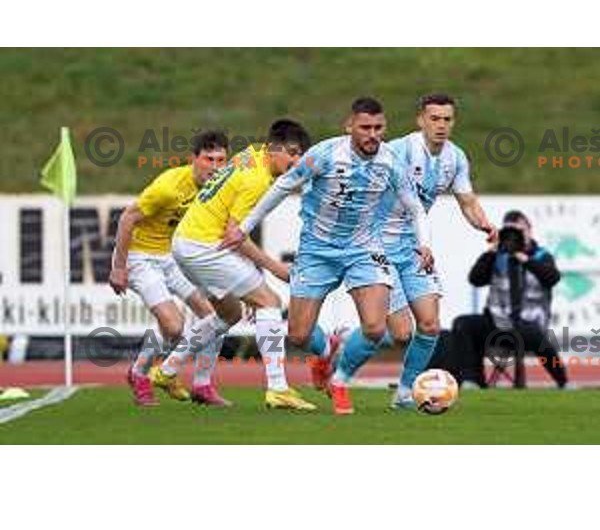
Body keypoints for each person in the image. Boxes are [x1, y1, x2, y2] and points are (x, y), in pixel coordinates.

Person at [221, 98, 434, 415]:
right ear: (349, 127)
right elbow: (281, 187)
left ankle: (340, 381)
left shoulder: (390, 161)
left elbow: (415, 207)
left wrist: (424, 244)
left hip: (364, 248)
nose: (372, 134)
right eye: (365, 127)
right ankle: (325, 351)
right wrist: (245, 227)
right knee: (298, 334)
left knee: (376, 328)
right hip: (317, 251)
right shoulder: (323, 154)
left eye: (378, 127)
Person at [156, 119, 317, 411]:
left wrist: (250, 279)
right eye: (290, 153)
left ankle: (166, 371)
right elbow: (237, 236)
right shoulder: (257, 180)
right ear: (273, 148)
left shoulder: (251, 153)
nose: (295, 162)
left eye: (299, 156)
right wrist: (277, 269)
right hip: (203, 246)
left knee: (228, 315)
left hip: (188, 241)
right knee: (270, 301)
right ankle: (278, 388)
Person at [382, 93, 497, 409]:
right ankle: (342, 356)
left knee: (430, 324)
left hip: (415, 247)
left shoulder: (455, 158)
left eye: (447, 119)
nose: (441, 125)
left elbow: (468, 201)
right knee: (400, 332)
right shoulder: (398, 150)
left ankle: (405, 393)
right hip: (377, 246)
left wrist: (485, 225)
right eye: (434, 118)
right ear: (420, 120)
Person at [109, 131, 230, 407]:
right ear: (193, 160)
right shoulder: (169, 186)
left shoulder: (220, 187)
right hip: (140, 257)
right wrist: (118, 267)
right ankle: (139, 373)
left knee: (217, 317)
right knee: (174, 326)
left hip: (172, 255)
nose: (214, 167)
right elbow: (127, 218)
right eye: (208, 159)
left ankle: (202, 384)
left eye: (220, 160)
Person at [453, 210, 568, 388]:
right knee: (463, 324)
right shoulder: (497, 256)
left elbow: (552, 278)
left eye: (520, 231)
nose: (515, 237)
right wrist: (491, 252)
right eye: (510, 232)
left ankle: (563, 382)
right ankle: (473, 380)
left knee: (540, 338)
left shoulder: (541, 256)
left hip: (528, 325)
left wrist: (525, 258)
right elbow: (475, 279)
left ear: (529, 231)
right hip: (497, 323)